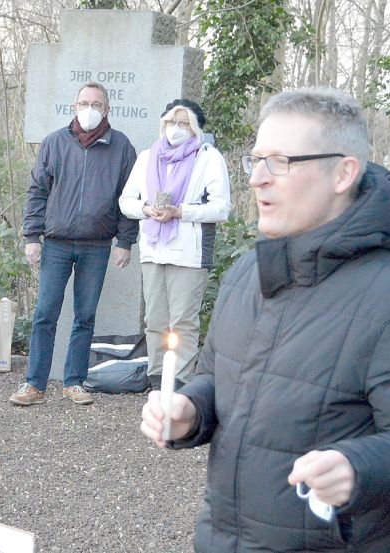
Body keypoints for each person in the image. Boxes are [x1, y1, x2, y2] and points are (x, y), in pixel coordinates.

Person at [141, 87, 390, 552]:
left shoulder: (382, 293)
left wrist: (358, 467)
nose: (257, 179)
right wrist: (190, 410)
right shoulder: (246, 272)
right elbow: (218, 377)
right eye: (255, 160)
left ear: (343, 173)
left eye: (280, 162)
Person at [10, 81, 137, 407]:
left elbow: (129, 198)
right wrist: (32, 237)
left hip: (97, 245)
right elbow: (37, 192)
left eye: (96, 104)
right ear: (74, 107)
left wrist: (125, 241)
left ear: (107, 109)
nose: (90, 109)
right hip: (56, 243)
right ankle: (34, 384)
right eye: (84, 103)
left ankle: (75, 381)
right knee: (45, 314)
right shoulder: (53, 143)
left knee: (84, 316)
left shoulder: (122, 147)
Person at [119, 99, 230, 390]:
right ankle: (157, 379)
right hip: (154, 249)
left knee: (183, 321)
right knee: (154, 319)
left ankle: (179, 380)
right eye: (171, 122)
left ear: (195, 128)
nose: (176, 129)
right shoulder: (147, 157)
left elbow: (221, 208)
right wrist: (146, 209)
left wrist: (181, 211)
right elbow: (126, 201)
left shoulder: (209, 157)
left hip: (190, 254)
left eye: (184, 123)